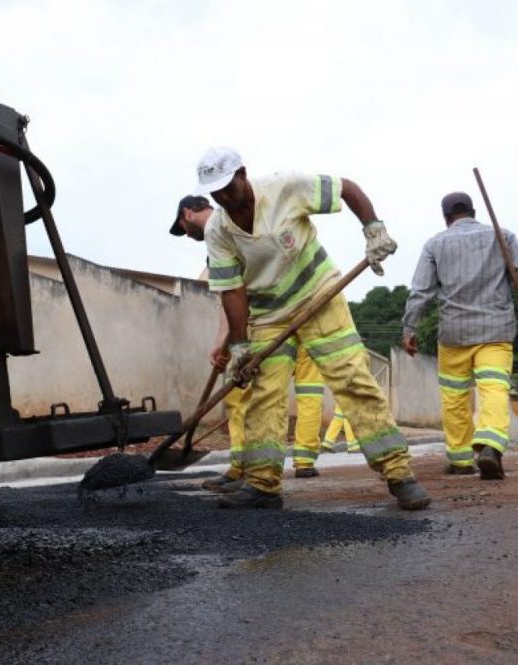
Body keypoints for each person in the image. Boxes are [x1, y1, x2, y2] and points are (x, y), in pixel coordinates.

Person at [196, 145, 430, 510]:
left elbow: (348, 189)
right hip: (269, 313)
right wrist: (240, 345)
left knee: (352, 379)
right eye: (216, 193)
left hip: (319, 296)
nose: (224, 197)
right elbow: (233, 289)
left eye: (229, 186)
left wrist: (373, 229)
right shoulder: (218, 229)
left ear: (243, 174)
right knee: (264, 393)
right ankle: (262, 484)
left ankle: (399, 474)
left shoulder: (285, 188)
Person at [172, 196, 326, 491]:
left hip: (266, 321)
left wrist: (224, 343)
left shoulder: (220, 238)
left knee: (241, 394)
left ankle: (242, 468)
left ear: (187, 214)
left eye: (183, 228)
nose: (188, 236)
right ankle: (296, 462)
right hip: (302, 311)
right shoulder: (243, 220)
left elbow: (232, 299)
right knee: (292, 394)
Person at [401, 191, 517, 480]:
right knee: (493, 389)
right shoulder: (504, 237)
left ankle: (460, 459)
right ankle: (490, 445)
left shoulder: (435, 244)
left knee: (454, 397)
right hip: (496, 330)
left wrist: (409, 328)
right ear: (474, 211)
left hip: (453, 333)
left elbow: (421, 291)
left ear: (446, 217)